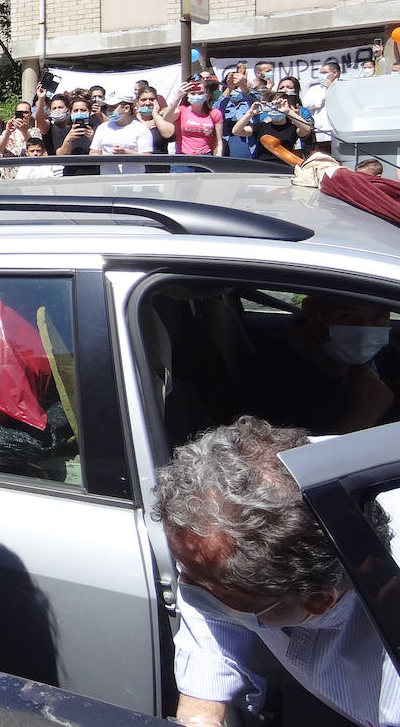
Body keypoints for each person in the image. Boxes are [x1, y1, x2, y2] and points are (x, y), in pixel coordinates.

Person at [152, 417, 400, 727]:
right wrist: (202, 715)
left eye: (212, 590)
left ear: (317, 602)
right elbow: (210, 610)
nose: (186, 587)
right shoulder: (291, 470)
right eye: (187, 571)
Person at [237, 294, 395, 434]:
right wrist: (362, 416)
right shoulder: (273, 375)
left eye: (378, 318)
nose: (365, 332)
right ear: (311, 311)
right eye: (347, 317)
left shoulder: (383, 355)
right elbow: (294, 461)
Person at [232, 89, 313, 166]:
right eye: (272, 105)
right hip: (262, 166)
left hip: (284, 167)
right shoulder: (261, 126)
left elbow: (306, 129)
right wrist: (249, 113)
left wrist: (288, 111)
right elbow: (236, 131)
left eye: (278, 105)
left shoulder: (293, 128)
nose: (275, 108)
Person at [162, 79, 225, 170]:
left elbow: (218, 141)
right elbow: (166, 118)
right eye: (193, 93)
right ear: (188, 95)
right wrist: (178, 97)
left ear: (206, 94)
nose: (197, 96)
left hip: (205, 158)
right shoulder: (182, 110)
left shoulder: (215, 113)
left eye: (200, 93)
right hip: (183, 159)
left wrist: (217, 160)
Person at [89, 86, 153, 174]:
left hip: (133, 182)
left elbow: (147, 157)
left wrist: (125, 152)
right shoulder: (102, 128)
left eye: (113, 107)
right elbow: (93, 152)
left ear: (126, 108)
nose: (109, 111)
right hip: (108, 182)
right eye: (108, 107)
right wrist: (106, 157)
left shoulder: (141, 129)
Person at [215, 72, 260, 160]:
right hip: (226, 151)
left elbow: (256, 102)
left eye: (238, 87)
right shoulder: (224, 104)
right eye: (235, 87)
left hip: (250, 150)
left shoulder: (250, 104)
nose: (236, 90)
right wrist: (230, 88)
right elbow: (216, 111)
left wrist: (243, 86)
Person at [135, 84, 175, 172]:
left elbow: (168, 134)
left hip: (160, 169)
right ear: (137, 103)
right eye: (143, 100)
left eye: (152, 99)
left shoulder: (162, 120)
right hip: (136, 169)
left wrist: (155, 114)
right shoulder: (132, 121)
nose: (148, 103)